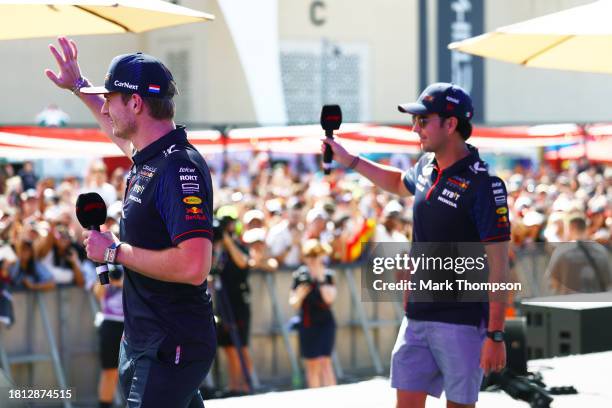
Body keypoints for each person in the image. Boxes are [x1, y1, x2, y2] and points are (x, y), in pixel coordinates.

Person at [46, 37, 216, 407]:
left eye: (111, 99)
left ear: (135, 103)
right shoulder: (150, 156)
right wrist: (78, 85)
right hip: (146, 340)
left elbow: (195, 265)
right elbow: (114, 129)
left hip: (168, 345)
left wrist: (115, 252)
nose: (104, 107)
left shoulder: (176, 166)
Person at [322, 82, 509, 408]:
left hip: (462, 322)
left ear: (451, 125)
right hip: (417, 316)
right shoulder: (426, 166)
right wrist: (349, 159)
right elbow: (397, 182)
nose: (414, 128)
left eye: (423, 120)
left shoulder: (485, 185)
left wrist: (496, 335)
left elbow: (500, 265)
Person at [289, 239, 337, 388]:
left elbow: (329, 300)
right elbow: (293, 303)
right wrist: (300, 294)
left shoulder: (328, 274)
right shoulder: (300, 275)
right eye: (309, 256)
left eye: (315, 255)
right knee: (312, 364)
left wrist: (320, 277)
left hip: (325, 323)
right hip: (308, 323)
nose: (312, 259)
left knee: (325, 361)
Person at [545, 214, 610, 294]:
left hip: (570, 303)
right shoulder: (601, 251)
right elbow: (608, 281)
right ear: (586, 228)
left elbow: (552, 282)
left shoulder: (562, 251)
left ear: (570, 228)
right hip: (596, 302)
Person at [92, 266, 124, 408]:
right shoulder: (104, 267)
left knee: (136, 372)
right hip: (110, 324)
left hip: (132, 324)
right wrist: (108, 279)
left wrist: (124, 282)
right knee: (110, 371)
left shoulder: (131, 261)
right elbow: (98, 293)